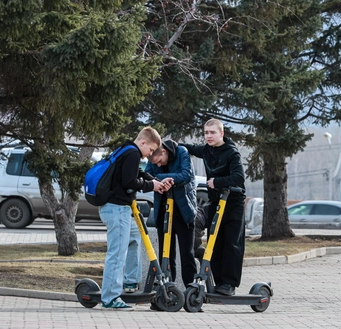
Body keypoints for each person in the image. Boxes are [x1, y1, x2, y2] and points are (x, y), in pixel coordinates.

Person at [99, 127, 171, 310]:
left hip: (114, 208)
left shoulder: (125, 150)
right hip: (117, 209)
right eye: (150, 150)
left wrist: (154, 182)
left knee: (133, 238)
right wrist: (150, 185)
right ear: (143, 142)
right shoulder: (132, 153)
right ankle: (110, 298)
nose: (149, 156)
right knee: (116, 253)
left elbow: (137, 174)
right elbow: (129, 182)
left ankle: (130, 281)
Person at [181, 118, 246, 296]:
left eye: (212, 133)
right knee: (215, 243)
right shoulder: (207, 150)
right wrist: (169, 146)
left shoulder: (232, 153)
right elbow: (189, 148)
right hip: (217, 202)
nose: (208, 136)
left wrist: (217, 182)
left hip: (233, 203)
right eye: (206, 133)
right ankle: (218, 283)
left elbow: (239, 177)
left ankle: (229, 284)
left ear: (221, 134)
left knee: (232, 243)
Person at [145, 140, 198, 287]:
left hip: (183, 210)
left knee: (187, 253)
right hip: (163, 208)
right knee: (165, 252)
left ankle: (191, 288)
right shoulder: (154, 158)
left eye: (160, 162)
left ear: (164, 151)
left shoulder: (182, 152)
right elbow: (148, 175)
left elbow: (186, 175)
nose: (159, 165)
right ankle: (167, 286)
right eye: (156, 164)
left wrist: (163, 179)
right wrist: (164, 180)